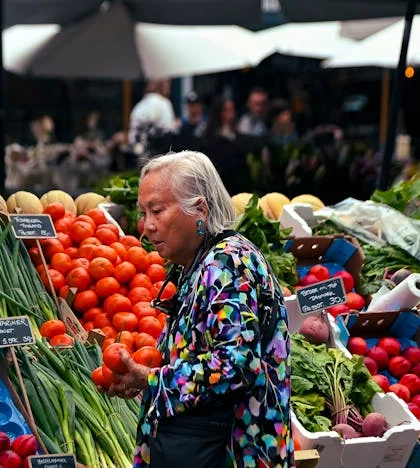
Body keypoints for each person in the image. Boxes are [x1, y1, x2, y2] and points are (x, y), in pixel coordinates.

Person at [102, 151, 293, 468]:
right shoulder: (202, 263)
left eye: (157, 211)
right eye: (143, 212)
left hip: (233, 453)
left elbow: (236, 364)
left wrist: (151, 379)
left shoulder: (227, 264)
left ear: (200, 210)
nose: (146, 226)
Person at [128, 80, 176, 150]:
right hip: (157, 152)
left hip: (138, 151)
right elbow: (169, 130)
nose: (169, 87)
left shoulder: (139, 105)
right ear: (162, 85)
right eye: (168, 84)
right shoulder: (164, 103)